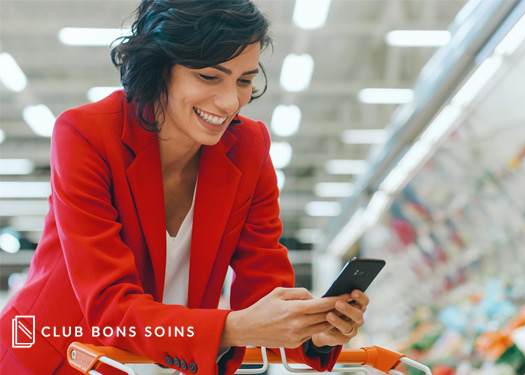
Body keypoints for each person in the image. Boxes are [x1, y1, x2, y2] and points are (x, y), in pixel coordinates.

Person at [0, 1, 370, 374]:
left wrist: (315, 331)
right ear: (160, 68)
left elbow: (266, 288)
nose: (229, 102)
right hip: (57, 357)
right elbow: (108, 304)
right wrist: (233, 327)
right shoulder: (87, 135)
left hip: (160, 364)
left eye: (244, 80)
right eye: (209, 76)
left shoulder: (248, 148)